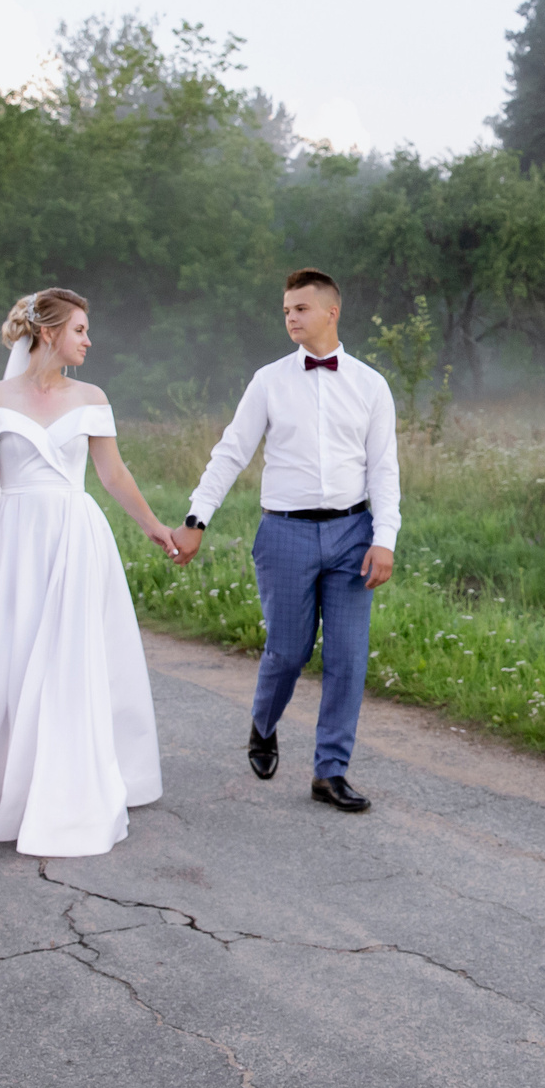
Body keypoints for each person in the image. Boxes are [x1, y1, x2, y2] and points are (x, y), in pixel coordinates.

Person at [0, 288, 170, 857]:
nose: (89, 341)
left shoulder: (92, 397)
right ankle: (3, 781)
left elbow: (113, 474)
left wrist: (153, 527)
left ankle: (64, 783)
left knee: (68, 660)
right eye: (79, 330)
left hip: (75, 535)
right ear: (47, 333)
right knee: (13, 655)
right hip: (14, 540)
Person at [165, 269, 398, 813]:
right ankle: (263, 725)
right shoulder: (269, 380)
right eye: (286, 310)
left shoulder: (370, 385)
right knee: (288, 651)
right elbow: (231, 452)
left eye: (300, 309)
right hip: (285, 532)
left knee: (348, 658)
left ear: (330, 312)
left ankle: (330, 771)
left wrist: (383, 538)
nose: (290, 318)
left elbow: (384, 471)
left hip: (352, 533)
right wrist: (195, 521)